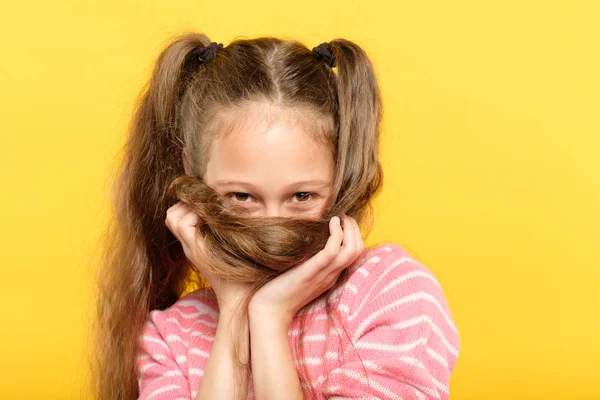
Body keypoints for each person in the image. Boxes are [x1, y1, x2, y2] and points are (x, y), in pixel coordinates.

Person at [90, 32, 460, 400]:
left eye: (302, 196)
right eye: (242, 196)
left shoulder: (389, 294)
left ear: (342, 174)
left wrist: (268, 318)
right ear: (194, 172)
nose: (270, 226)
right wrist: (236, 312)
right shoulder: (171, 336)